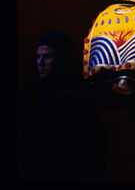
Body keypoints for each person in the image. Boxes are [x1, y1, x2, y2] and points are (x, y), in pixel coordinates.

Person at [18, 31, 108, 180]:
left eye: (47, 56)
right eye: (38, 56)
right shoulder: (30, 93)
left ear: (64, 59)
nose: (40, 62)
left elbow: (95, 143)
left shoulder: (83, 92)